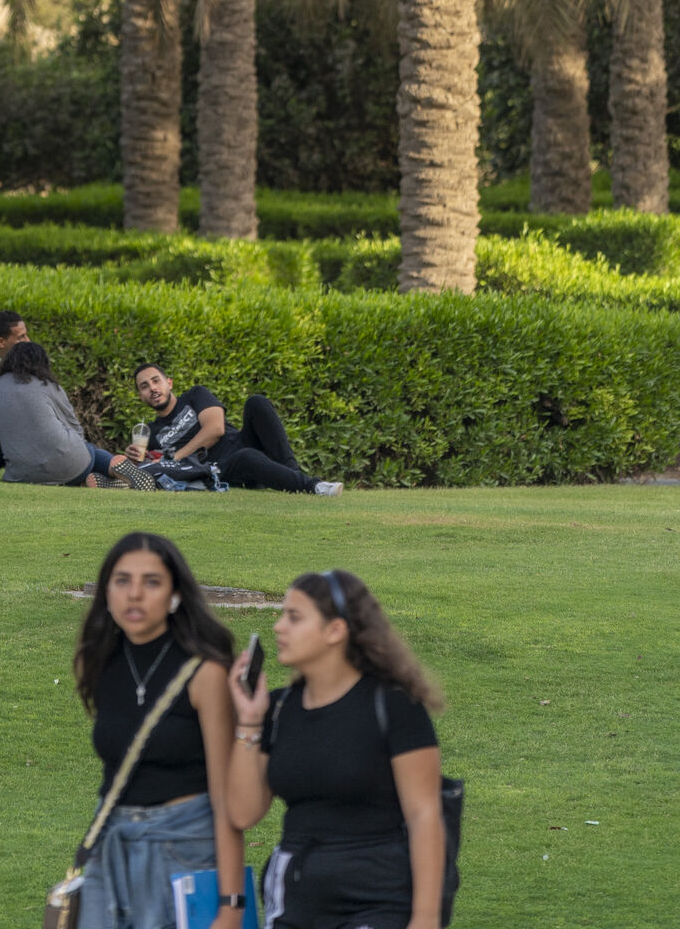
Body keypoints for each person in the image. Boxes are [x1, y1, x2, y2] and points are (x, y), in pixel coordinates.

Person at [228, 567, 446, 929]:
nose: (279, 626)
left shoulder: (392, 706)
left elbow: (425, 816)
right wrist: (249, 720)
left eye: (294, 617)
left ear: (335, 630)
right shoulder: (278, 709)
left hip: (377, 899)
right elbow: (243, 813)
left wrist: (425, 919)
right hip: (294, 899)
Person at [70, 530, 247, 929]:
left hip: (183, 847)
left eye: (151, 583)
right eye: (122, 581)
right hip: (110, 842)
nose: (134, 594)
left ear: (174, 596)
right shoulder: (95, 662)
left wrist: (231, 907)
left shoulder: (205, 673)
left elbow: (225, 799)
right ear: (106, 592)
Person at [129, 364, 344, 496]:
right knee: (246, 457)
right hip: (218, 468)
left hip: (242, 442)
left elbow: (215, 429)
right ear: (141, 396)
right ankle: (314, 487)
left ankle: (292, 473)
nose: (153, 388)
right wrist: (135, 458)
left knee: (256, 402)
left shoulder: (195, 395)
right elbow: (155, 468)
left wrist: (177, 456)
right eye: (145, 386)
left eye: (156, 381)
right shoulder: (150, 433)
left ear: (169, 383)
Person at [0, 338, 115, 486]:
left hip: (21, 475)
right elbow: (74, 427)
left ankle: (102, 480)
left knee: (86, 452)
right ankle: (121, 473)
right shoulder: (49, 385)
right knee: (90, 450)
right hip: (72, 468)